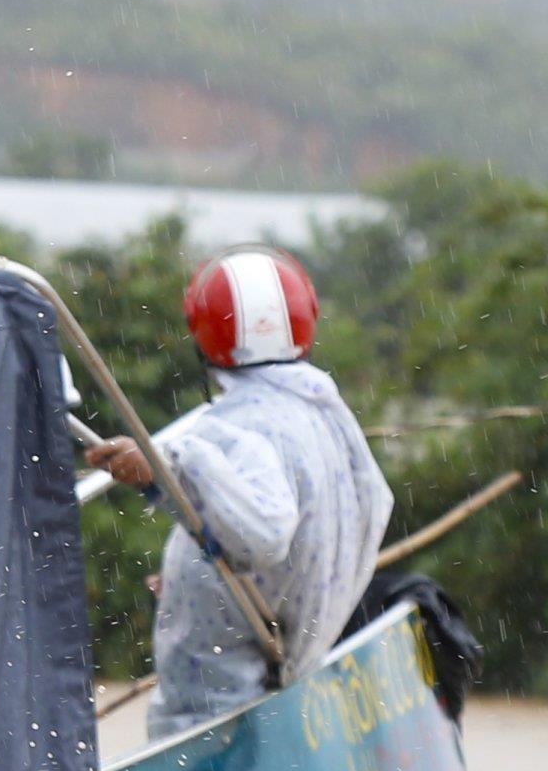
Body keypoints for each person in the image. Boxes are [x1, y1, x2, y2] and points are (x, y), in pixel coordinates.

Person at [87, 246, 394, 742]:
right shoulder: (319, 411)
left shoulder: (241, 427)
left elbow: (261, 537)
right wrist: (196, 573)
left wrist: (166, 468)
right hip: (275, 685)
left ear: (203, 338)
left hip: (221, 715)